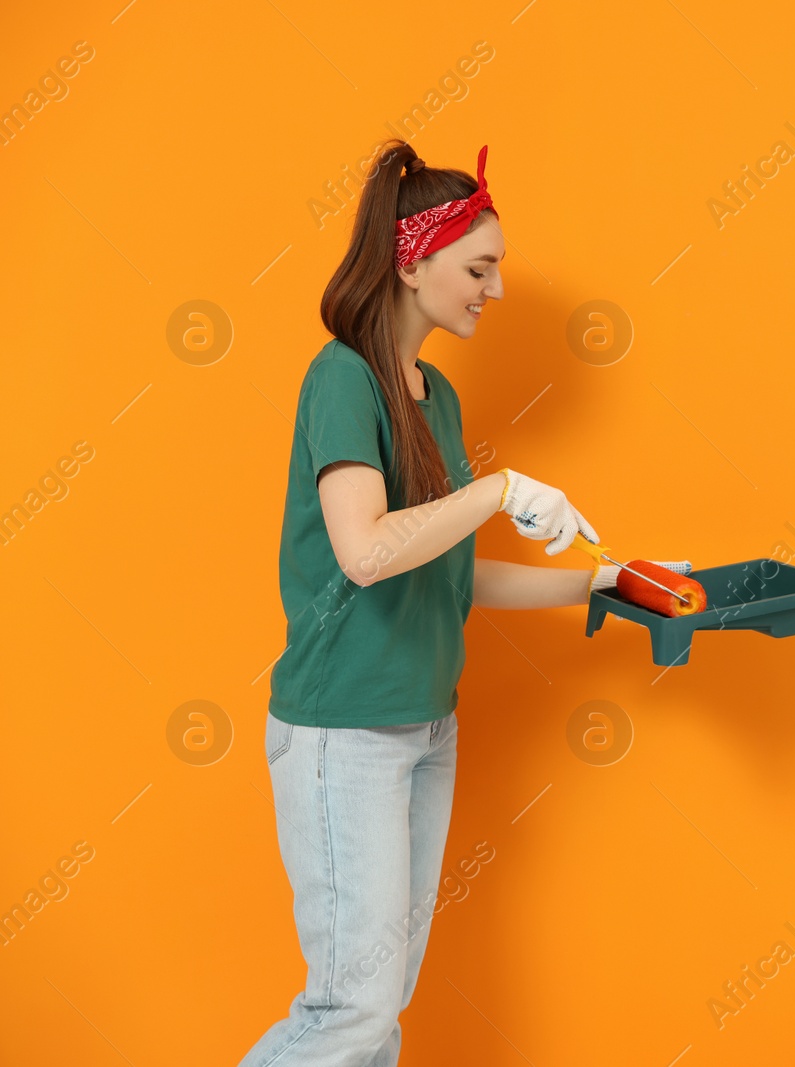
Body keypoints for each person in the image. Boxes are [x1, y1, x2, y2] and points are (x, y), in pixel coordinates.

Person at [239, 140, 690, 1066]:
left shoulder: (432, 393)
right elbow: (367, 551)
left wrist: (604, 581)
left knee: (383, 1000)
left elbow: (449, 572)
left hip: (424, 727)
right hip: (346, 733)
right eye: (479, 267)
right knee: (350, 1013)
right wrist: (497, 491)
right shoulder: (342, 379)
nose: (496, 288)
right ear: (412, 262)